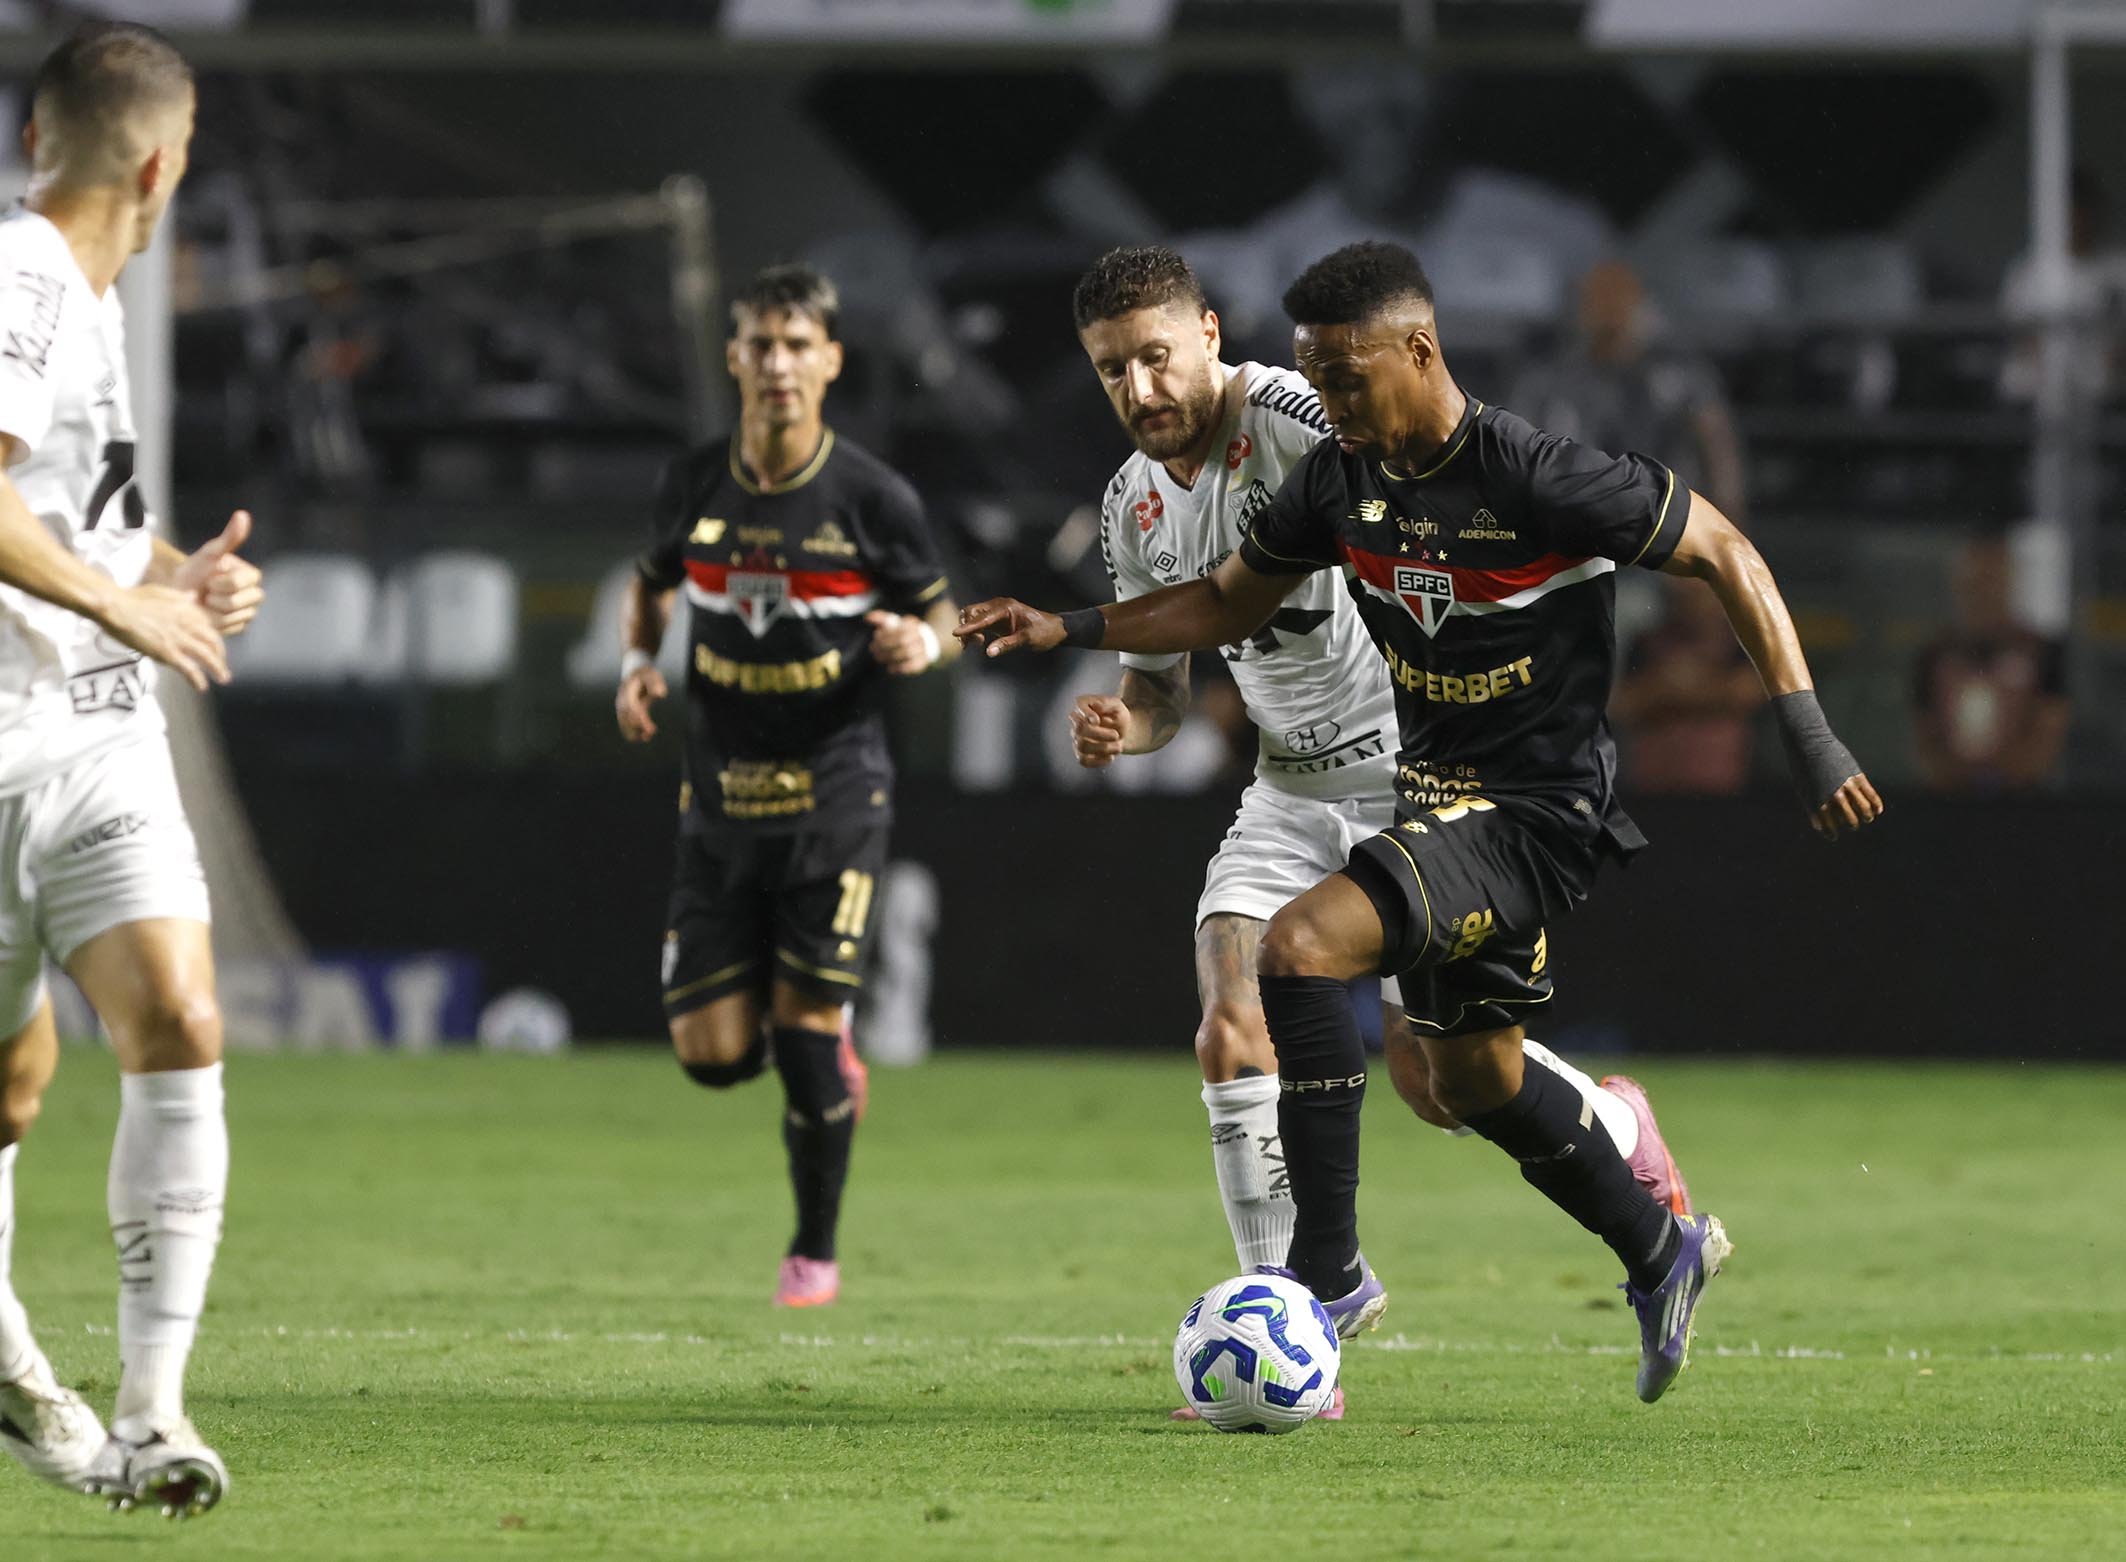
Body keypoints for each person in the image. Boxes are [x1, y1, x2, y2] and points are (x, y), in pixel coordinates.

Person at [961, 241, 1883, 1403]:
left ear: (1415, 350)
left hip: (1522, 808)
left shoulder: (1524, 471)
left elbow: (1721, 546)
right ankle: (1659, 1244)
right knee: (1460, 1079)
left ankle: (1319, 1283)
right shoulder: (1327, 477)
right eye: (1111, 371)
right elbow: (1222, 603)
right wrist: (1066, 629)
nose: (1330, 403)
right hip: (1393, 796)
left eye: (1345, 380)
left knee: (1295, 951)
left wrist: (1804, 729)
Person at [1066, 248, 1696, 1421]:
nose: (1142, 387)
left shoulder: (1310, 417)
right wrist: (1125, 723)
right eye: (1113, 371)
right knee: (1225, 1020)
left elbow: (1428, 473)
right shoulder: (1130, 507)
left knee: (1439, 1081)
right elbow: (1159, 688)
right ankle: (1294, 1316)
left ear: (1208, 333)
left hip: (1415, 773)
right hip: (1283, 786)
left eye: (1157, 355)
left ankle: (1607, 1122)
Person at [0, 23, 263, 1520]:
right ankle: (19, 1366)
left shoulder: (85, 297)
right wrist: (123, 601)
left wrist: (177, 575)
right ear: (160, 161)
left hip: (98, 729)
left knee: (178, 1012)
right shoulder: (24, 276)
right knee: (12, 1087)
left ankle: (155, 1412)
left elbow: (71, 516)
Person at [617, 264, 958, 1309]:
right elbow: (652, 582)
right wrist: (640, 663)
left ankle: (812, 1251)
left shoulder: (872, 496)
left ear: (830, 360)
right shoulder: (694, 482)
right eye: (759, 343)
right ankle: (805, 1026)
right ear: (734, 358)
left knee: (806, 1038)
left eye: (796, 344)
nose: (776, 363)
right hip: (718, 797)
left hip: (833, 794)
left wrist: (918, 642)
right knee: (712, 1055)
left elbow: (942, 616)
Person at [1912, 535, 2068, 792]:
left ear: (2010, 583)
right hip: (1948, 804)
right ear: (1959, 584)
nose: (1984, 593)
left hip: (2023, 806)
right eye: (1975, 583)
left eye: (1993, 582)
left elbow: (2047, 741)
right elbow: (1924, 744)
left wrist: (2001, 771)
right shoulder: (1933, 654)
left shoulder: (2043, 652)